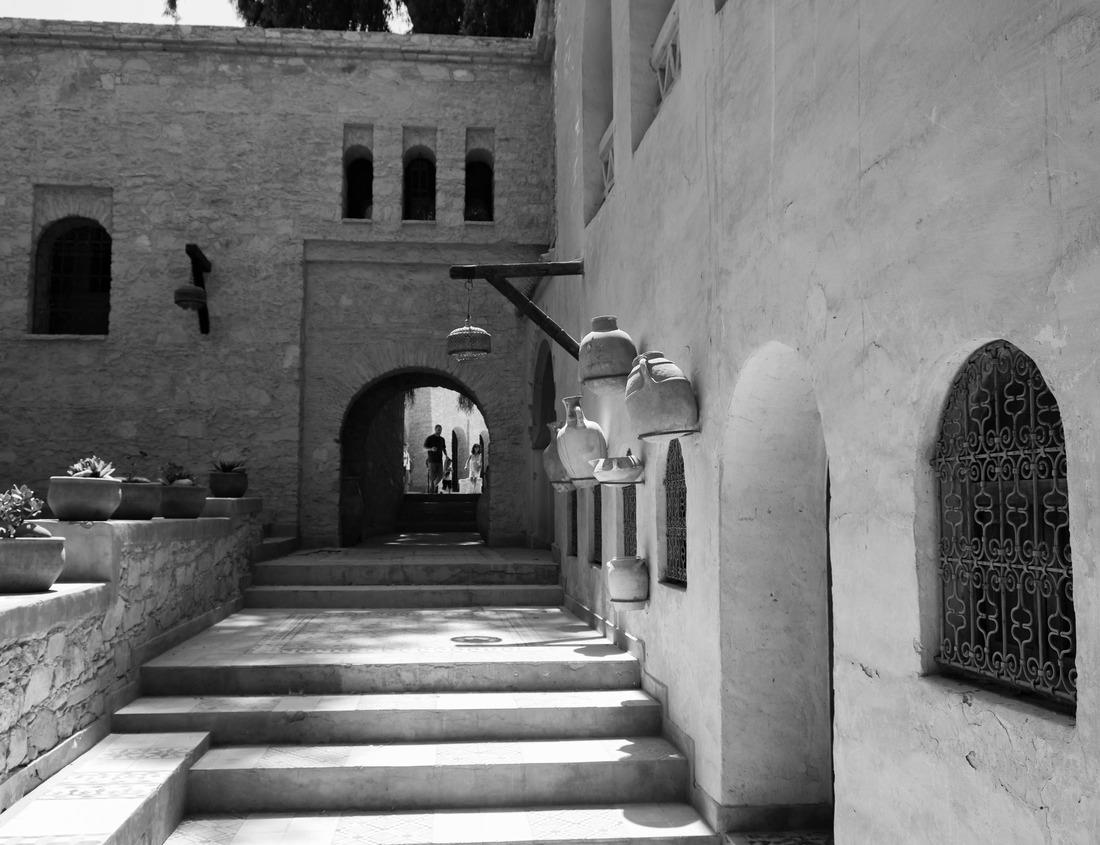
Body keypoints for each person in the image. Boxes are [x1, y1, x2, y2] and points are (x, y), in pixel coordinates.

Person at [423, 424, 447, 494]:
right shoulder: (430, 438)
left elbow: (443, 448)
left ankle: (432, 486)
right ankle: (431, 494)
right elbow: (424, 448)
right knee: (432, 478)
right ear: (435, 429)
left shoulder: (442, 439)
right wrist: (431, 449)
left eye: (441, 430)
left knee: (441, 475)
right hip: (431, 461)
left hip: (440, 461)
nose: (440, 431)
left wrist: (446, 455)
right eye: (438, 429)